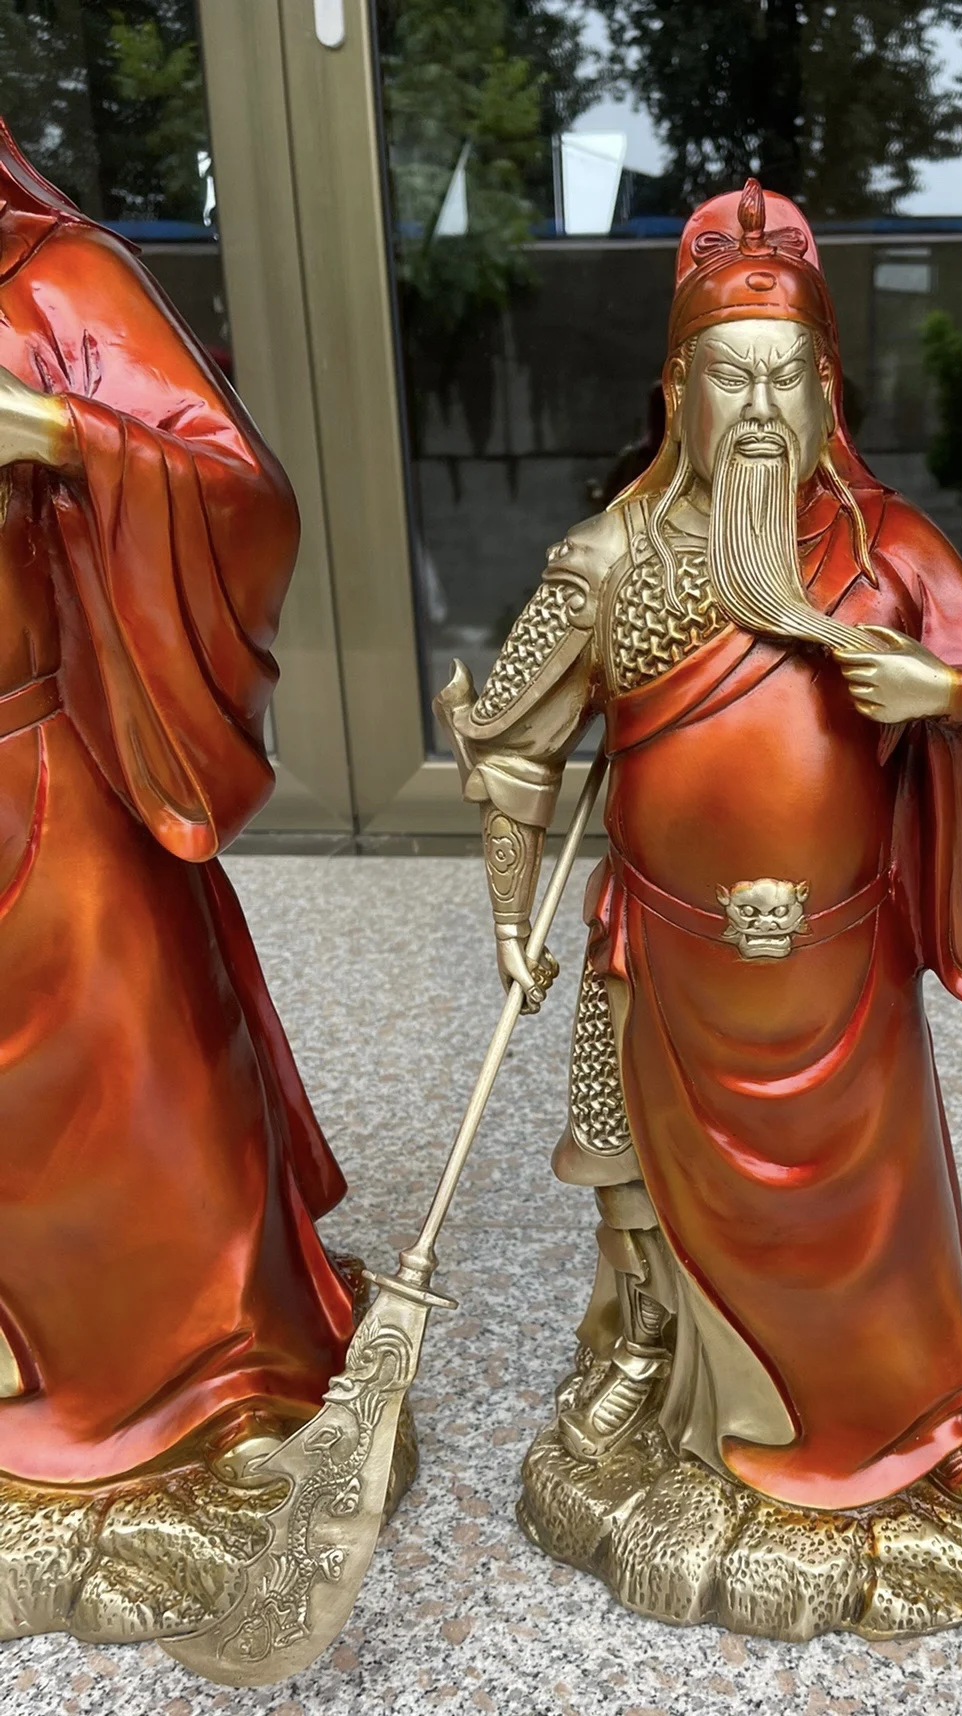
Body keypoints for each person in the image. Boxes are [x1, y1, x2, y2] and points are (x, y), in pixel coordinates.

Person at [442, 179, 962, 1554]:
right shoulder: (606, 560)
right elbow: (515, 749)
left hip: (840, 973)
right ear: (679, 396)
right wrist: (508, 921)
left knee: (878, 1218)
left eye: (790, 378)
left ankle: (920, 1410)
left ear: (828, 395)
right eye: (731, 376)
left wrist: (949, 698)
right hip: (662, 961)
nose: (762, 409)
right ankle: (643, 1360)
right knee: (633, 1187)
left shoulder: (890, 556)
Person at [0, 121, 353, 1487]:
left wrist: (54, 434)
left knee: (135, 1074)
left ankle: (206, 1367)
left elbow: (236, 490)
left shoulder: (60, 278)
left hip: (45, 765)